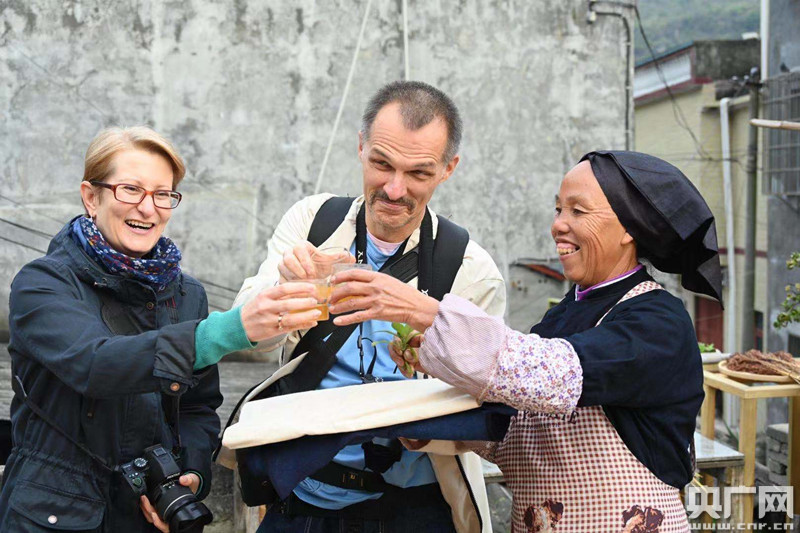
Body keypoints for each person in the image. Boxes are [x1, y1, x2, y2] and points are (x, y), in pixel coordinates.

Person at [330, 151, 723, 532]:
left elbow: (554, 375)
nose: (558, 225)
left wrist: (428, 314)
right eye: (558, 210)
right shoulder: (562, 315)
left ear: (628, 229)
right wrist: (427, 419)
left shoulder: (657, 321)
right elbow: (517, 430)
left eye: (578, 211)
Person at [0, 127, 321, 533]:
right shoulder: (42, 284)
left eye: (162, 194)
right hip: (51, 514)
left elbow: (196, 407)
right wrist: (227, 331)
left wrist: (189, 475)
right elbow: (95, 364)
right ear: (90, 196)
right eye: (130, 190)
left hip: (149, 517)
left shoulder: (187, 295)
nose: (148, 208)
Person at [231, 81, 506, 533]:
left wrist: (427, 345)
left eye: (419, 173)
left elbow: (486, 405)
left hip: (413, 508)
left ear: (448, 168)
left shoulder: (471, 268)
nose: (395, 190)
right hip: (301, 495)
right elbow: (250, 339)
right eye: (381, 164)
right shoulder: (312, 221)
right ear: (361, 147)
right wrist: (287, 288)